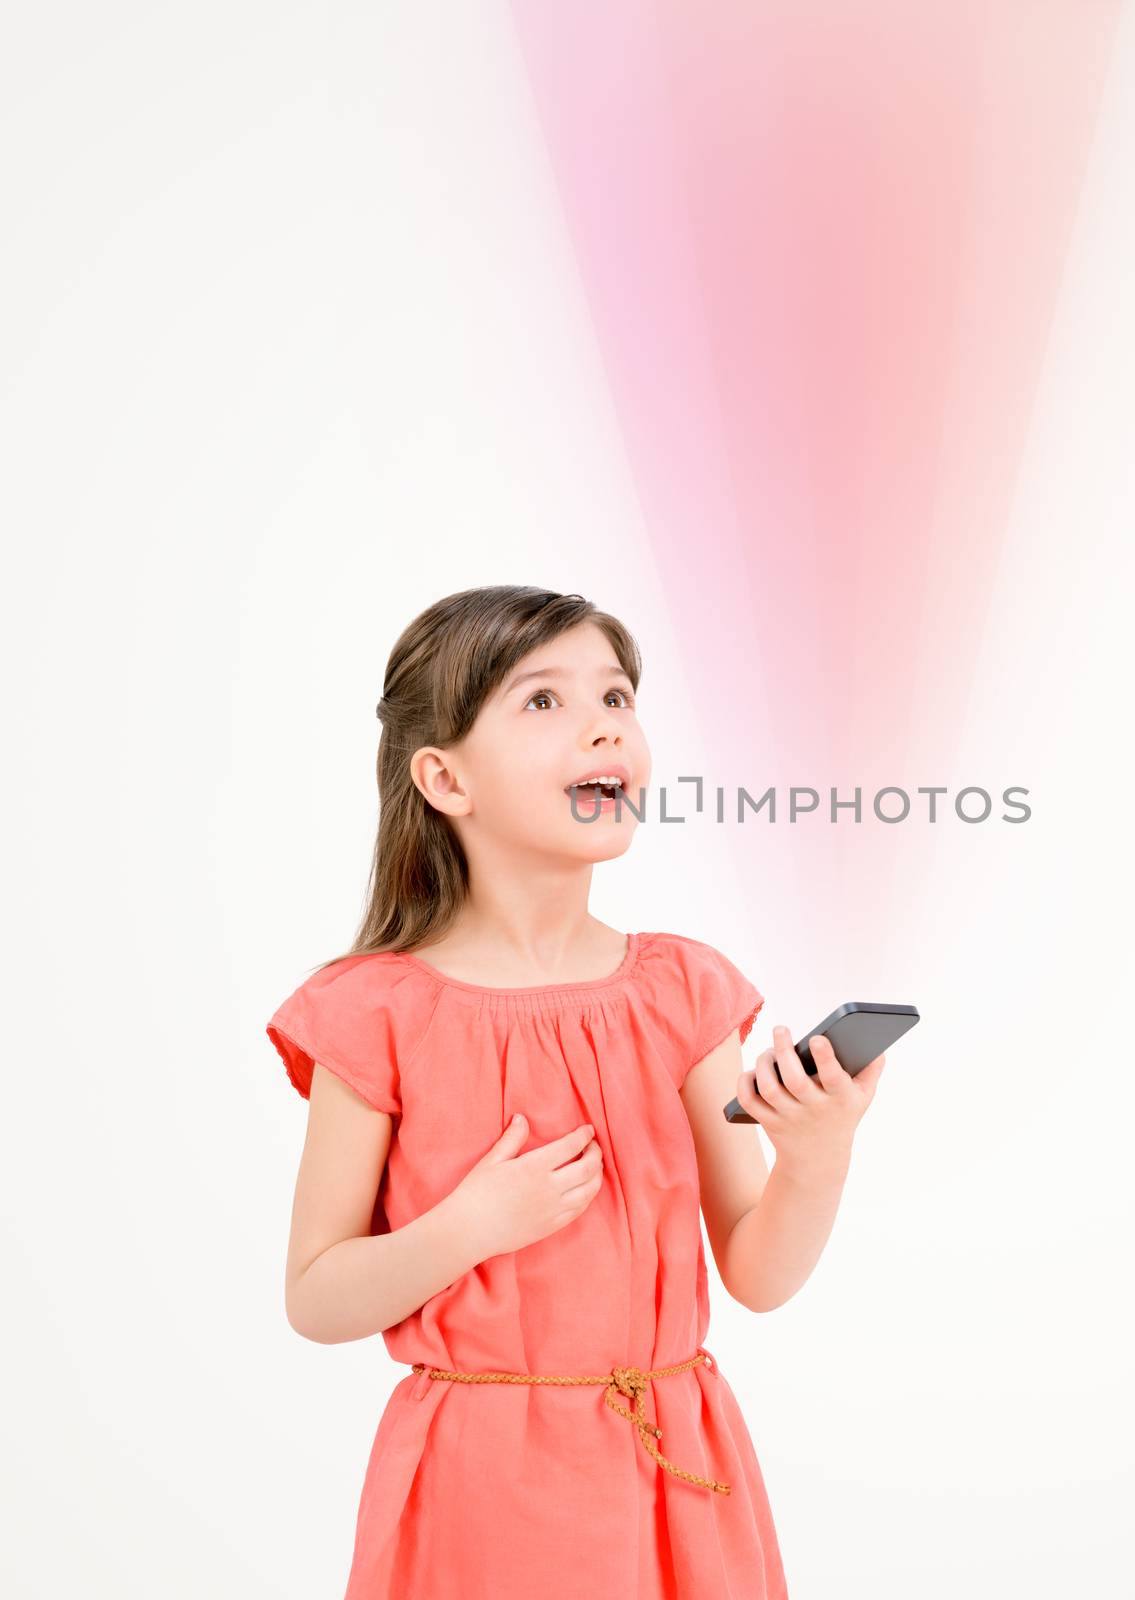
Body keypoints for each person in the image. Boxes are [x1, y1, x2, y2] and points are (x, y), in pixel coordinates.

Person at [265, 584, 887, 1599]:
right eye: (542, 700)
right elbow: (315, 1298)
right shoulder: (374, 1010)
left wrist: (817, 1159)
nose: (604, 722)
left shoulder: (683, 990)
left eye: (617, 695)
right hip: (478, 1485)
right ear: (443, 776)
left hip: (679, 1473)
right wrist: (466, 1227)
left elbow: (759, 1275)